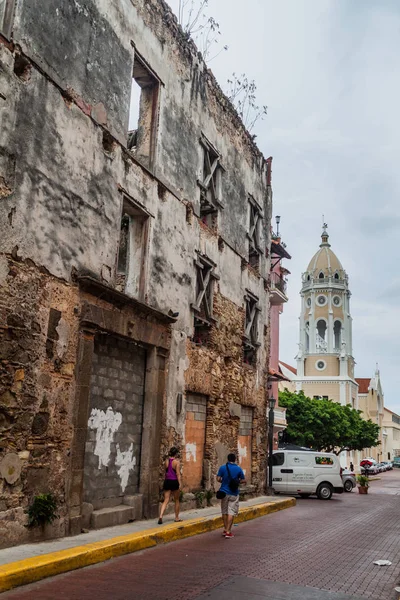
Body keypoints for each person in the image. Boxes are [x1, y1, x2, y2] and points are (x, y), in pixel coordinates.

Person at [217, 453, 246, 539]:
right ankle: (229, 531)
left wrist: (224, 481)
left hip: (224, 492)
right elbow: (243, 480)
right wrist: (237, 482)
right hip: (233, 493)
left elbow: (218, 479)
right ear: (235, 459)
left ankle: (225, 529)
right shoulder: (238, 468)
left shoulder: (222, 468)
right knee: (231, 512)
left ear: (228, 459)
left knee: (224, 512)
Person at [158, 447, 182, 524]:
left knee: (166, 500)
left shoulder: (166, 461)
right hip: (174, 481)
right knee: (177, 500)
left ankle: (161, 516)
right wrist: (180, 483)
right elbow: (178, 474)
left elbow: (166, 471)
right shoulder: (177, 462)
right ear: (176, 454)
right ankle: (177, 517)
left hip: (167, 481)